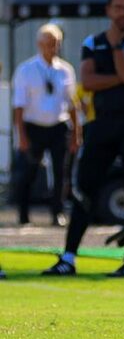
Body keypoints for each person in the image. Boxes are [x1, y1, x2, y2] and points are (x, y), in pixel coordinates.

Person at [42, 0, 124, 277]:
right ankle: (68, 257)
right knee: (85, 189)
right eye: (117, 7)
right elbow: (89, 81)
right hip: (102, 124)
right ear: (108, 10)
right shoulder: (92, 42)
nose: (121, 12)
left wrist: (118, 49)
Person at [12, 23, 80, 227]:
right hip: (34, 126)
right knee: (30, 171)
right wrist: (21, 135)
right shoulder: (27, 69)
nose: (53, 48)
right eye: (49, 43)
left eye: (56, 43)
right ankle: (23, 213)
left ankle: (57, 212)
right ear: (39, 44)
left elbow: (72, 103)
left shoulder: (65, 70)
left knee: (61, 171)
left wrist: (77, 132)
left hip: (58, 126)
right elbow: (18, 107)